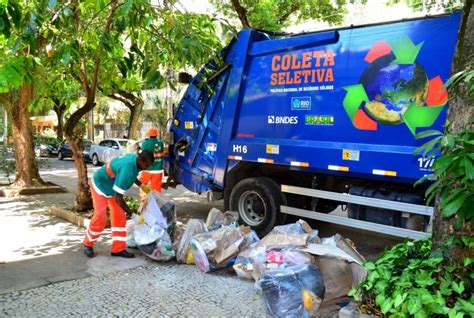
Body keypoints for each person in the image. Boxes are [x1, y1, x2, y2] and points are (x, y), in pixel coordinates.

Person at [83, 150, 154, 258]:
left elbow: (132, 175)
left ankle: (118, 249)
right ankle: (88, 244)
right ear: (140, 160)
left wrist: (142, 186)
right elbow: (119, 198)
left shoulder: (135, 161)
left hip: (112, 188)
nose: (147, 168)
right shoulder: (127, 169)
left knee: (120, 216)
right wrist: (133, 215)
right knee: (100, 216)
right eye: (147, 165)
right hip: (100, 186)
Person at [139, 128, 165, 192]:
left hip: (147, 169)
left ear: (149, 135)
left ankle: (146, 198)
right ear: (157, 135)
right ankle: (154, 200)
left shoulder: (146, 143)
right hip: (158, 170)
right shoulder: (160, 143)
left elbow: (142, 154)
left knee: (143, 186)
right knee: (156, 189)